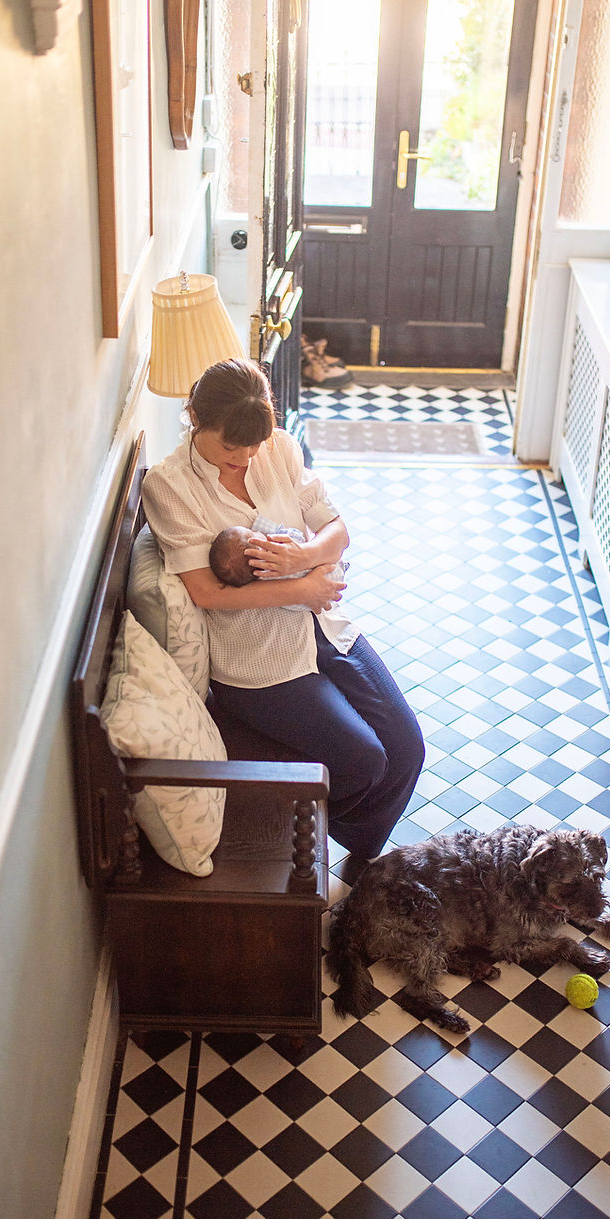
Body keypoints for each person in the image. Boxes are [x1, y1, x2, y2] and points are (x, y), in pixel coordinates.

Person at [141, 357, 424, 874]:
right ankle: (305, 819)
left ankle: (363, 860)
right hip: (257, 658)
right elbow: (206, 592)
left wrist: (304, 556)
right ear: (195, 418)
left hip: (322, 625)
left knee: (407, 751)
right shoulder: (169, 485)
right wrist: (302, 586)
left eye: (255, 443)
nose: (246, 457)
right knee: (365, 763)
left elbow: (336, 527)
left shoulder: (278, 449)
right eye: (231, 446)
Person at [208, 514, 348, 590]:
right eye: (252, 531)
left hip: (324, 587)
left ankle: (341, 566)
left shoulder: (265, 579)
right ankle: (341, 565)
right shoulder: (278, 546)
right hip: (329, 574)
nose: (255, 529)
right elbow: (296, 535)